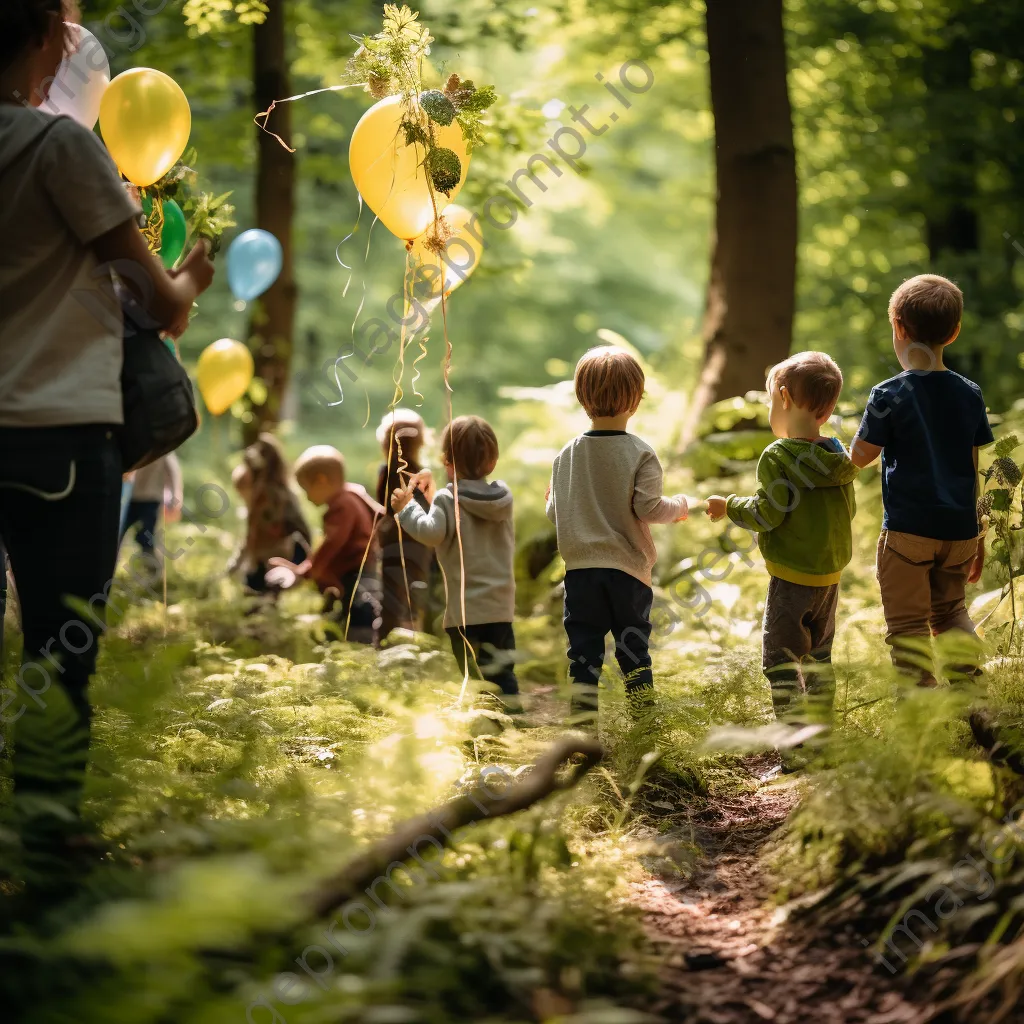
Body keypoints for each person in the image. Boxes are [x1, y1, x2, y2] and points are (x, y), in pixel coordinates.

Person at [0, 1, 215, 881]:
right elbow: (158, 303)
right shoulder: (57, 147)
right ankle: (45, 839)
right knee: (58, 645)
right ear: (43, 34)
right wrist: (192, 270)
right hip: (58, 428)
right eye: (63, 30)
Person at [706, 352, 857, 742]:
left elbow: (766, 514)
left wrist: (729, 506)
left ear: (785, 398)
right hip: (830, 579)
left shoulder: (778, 455)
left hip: (791, 579)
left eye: (773, 400)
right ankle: (824, 740)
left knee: (780, 660)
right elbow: (849, 510)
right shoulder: (838, 455)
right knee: (820, 659)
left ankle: (795, 746)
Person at [850, 275, 991, 685]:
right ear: (955, 331)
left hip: (910, 533)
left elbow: (860, 457)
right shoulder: (970, 393)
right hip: (960, 531)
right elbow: (972, 464)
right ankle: (974, 702)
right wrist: (978, 532)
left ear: (898, 327)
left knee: (909, 630)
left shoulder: (888, 393)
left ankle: (921, 723)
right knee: (951, 613)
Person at [546, 347, 690, 721]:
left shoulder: (566, 455)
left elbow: (555, 514)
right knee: (634, 652)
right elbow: (650, 509)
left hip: (580, 573)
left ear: (582, 398)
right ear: (636, 400)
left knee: (583, 655)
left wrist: (553, 500)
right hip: (628, 572)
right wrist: (682, 507)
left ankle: (582, 734)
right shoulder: (641, 453)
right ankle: (644, 730)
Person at [391, 416, 521, 710]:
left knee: (474, 677)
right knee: (502, 671)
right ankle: (514, 719)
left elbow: (432, 532)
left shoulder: (447, 499)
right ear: (493, 461)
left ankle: (488, 726)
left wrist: (406, 509)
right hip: (501, 607)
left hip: (466, 611)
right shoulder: (503, 495)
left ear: (446, 460)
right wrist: (437, 484)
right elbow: (462, 498)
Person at [268, 445, 384, 645]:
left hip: (354, 572)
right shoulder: (353, 494)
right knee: (347, 614)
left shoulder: (341, 506)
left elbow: (332, 544)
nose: (306, 496)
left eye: (307, 489)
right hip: (363, 571)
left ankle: (360, 652)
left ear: (321, 481)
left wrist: (309, 569)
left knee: (357, 616)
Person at [375, 409, 435, 639]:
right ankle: (418, 639)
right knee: (416, 595)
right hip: (419, 542)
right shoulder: (422, 475)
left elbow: (385, 507)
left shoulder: (386, 470)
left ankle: (385, 642)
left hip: (393, 542)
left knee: (391, 598)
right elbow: (430, 507)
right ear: (421, 442)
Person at [231, 434, 311, 595]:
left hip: (280, 558)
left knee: (259, 588)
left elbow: (253, 538)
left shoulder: (269, 500)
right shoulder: (285, 495)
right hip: (283, 557)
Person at [119, 452, 183, 568]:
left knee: (147, 536)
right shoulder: (139, 448)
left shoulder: (164, 451)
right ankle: (114, 563)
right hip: (133, 498)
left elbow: (174, 474)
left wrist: (175, 500)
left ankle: (153, 569)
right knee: (119, 532)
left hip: (151, 499)